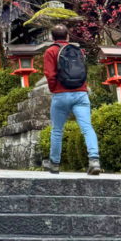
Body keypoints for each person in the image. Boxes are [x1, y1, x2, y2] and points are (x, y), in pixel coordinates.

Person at [43, 24, 101, 175]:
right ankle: (94, 160)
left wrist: (53, 89)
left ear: (52, 38)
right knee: (87, 127)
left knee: (57, 131)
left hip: (61, 94)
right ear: (68, 37)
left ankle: (54, 164)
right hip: (81, 93)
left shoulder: (50, 51)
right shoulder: (78, 51)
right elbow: (83, 71)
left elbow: (50, 75)